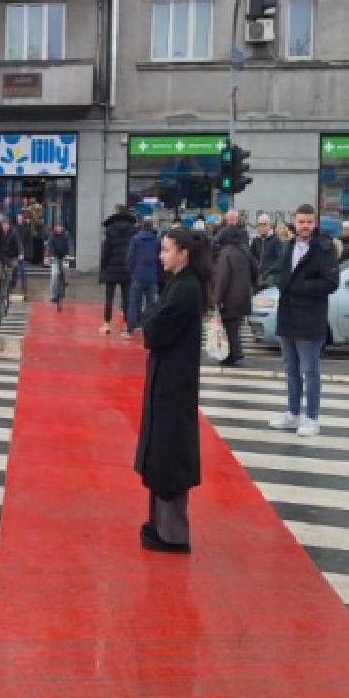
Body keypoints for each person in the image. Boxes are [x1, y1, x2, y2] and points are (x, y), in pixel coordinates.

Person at [134, 225, 211, 554]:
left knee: (170, 456)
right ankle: (159, 525)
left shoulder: (186, 289)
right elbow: (149, 319)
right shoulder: (177, 284)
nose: (160, 256)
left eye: (166, 250)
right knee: (160, 454)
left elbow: (153, 328)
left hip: (175, 383)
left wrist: (149, 320)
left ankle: (173, 533)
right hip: (168, 378)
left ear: (184, 254)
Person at [270, 204, 339, 437]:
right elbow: (280, 273)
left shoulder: (324, 248)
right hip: (287, 316)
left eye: (309, 222)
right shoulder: (289, 245)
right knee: (290, 368)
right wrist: (276, 279)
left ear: (315, 223)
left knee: (310, 370)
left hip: (310, 318)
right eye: (301, 222)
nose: (305, 226)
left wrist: (298, 286)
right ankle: (293, 413)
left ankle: (311, 417)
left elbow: (331, 283)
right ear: (295, 222)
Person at [212, 224, 255, 366]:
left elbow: (222, 278)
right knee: (236, 326)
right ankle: (236, 352)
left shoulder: (226, 253)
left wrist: (217, 298)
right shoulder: (244, 251)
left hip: (230, 296)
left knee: (229, 327)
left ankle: (232, 355)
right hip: (243, 295)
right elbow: (255, 270)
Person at [99, 207, 138, 335]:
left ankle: (107, 324)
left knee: (109, 298)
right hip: (127, 269)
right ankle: (127, 324)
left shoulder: (110, 230)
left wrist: (103, 267)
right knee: (127, 298)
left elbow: (106, 251)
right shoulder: (133, 231)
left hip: (111, 269)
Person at [126, 217, 162, 339]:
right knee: (151, 304)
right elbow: (159, 258)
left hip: (138, 275)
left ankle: (131, 329)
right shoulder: (156, 240)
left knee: (133, 303)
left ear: (142, 226)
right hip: (152, 275)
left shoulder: (135, 239)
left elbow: (130, 257)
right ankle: (148, 328)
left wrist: (131, 271)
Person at [249, 214, 283, 289]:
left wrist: (268, 271)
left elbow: (280, 260)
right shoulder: (255, 241)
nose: (262, 227)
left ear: (269, 226)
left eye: (264, 224)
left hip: (271, 280)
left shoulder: (276, 241)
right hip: (257, 279)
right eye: (260, 225)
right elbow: (251, 258)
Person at [45, 221, 70, 303]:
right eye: (57, 227)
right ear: (55, 228)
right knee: (54, 276)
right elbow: (49, 246)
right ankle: (53, 296)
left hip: (64, 256)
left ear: (62, 228)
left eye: (60, 227)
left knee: (66, 268)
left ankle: (65, 282)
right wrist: (49, 256)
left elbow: (70, 245)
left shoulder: (66, 235)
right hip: (55, 257)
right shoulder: (52, 236)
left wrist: (68, 255)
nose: (59, 228)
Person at [12, 212, 34, 295]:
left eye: (21, 218)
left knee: (23, 270)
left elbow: (29, 242)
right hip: (15, 253)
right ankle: (13, 285)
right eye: (18, 218)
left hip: (23, 253)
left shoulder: (27, 228)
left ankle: (24, 287)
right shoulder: (13, 228)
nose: (19, 219)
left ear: (23, 219)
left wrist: (28, 254)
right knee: (15, 270)